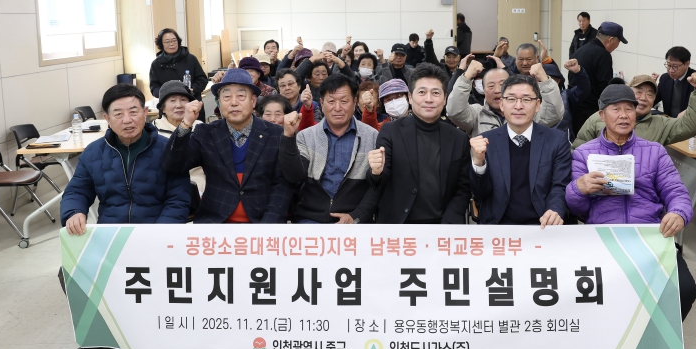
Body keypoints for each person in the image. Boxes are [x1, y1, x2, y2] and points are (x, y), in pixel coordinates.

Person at [61, 84, 191, 349]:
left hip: (156, 236)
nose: (127, 120)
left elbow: (178, 199)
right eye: (118, 114)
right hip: (112, 237)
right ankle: (99, 336)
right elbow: (77, 191)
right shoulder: (94, 152)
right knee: (70, 271)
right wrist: (74, 212)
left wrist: (157, 235)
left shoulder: (168, 149)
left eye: (133, 111)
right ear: (107, 119)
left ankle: (152, 333)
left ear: (146, 113)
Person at [566, 84, 696, 320]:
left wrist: (679, 212)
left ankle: (656, 331)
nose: (624, 115)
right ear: (602, 115)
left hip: (648, 236)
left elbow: (675, 191)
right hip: (605, 237)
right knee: (596, 293)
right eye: (615, 109)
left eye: (629, 109)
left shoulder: (655, 151)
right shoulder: (584, 154)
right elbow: (579, 210)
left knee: (686, 289)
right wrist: (578, 188)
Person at [163, 68, 294, 223]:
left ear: (253, 101)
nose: (233, 102)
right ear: (219, 102)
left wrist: (267, 227)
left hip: (261, 224)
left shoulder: (275, 134)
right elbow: (173, 166)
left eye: (241, 96)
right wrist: (185, 124)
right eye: (226, 96)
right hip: (215, 223)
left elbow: (282, 185)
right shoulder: (205, 133)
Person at [368, 63, 471, 224]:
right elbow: (380, 181)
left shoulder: (459, 138)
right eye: (422, 92)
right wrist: (376, 173)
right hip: (398, 224)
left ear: (445, 99)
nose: (428, 99)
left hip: (443, 225)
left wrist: (448, 224)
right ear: (410, 97)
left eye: (435, 93)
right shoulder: (390, 131)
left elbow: (463, 188)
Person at [469, 74, 571, 225]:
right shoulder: (486, 141)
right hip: (498, 227)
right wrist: (478, 163)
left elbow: (560, 185)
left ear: (537, 105)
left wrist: (555, 209)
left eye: (526, 99)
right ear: (502, 104)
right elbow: (480, 194)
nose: (518, 106)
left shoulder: (556, 140)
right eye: (511, 99)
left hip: (542, 225)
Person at [278, 74, 380, 224]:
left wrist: (356, 216)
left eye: (344, 101)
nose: (337, 108)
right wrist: (288, 136)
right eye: (331, 101)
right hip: (310, 219)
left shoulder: (371, 136)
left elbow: (377, 185)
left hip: (356, 221)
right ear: (321, 103)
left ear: (354, 102)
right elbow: (294, 176)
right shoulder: (306, 136)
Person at [572, 73, 696, 149]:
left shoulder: (661, 124)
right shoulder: (600, 118)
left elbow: (692, 125)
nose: (644, 98)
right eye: (638, 92)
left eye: (650, 94)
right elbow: (578, 151)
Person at [448, 53, 564, 138]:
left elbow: (554, 113)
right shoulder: (477, 114)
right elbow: (454, 111)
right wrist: (467, 76)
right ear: (483, 90)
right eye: (491, 86)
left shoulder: (525, 111)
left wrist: (544, 80)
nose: (497, 90)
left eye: (502, 84)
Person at [569, 21, 626, 135]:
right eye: (618, 42)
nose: (617, 46)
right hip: (590, 112)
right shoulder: (603, 55)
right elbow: (605, 88)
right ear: (610, 40)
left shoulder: (580, 50)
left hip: (574, 108)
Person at [152, 80, 207, 195]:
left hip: (199, 188)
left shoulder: (200, 127)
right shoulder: (153, 130)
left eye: (183, 100)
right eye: (172, 100)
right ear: (162, 108)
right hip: (165, 188)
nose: (179, 105)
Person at [149, 28, 209, 122]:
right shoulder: (156, 64)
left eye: (174, 40)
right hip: (169, 109)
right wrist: (165, 93)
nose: (171, 44)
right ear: (161, 44)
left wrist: (193, 89)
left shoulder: (191, 59)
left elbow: (202, 79)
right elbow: (154, 87)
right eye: (167, 42)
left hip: (192, 105)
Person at [654, 46, 696, 117]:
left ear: (687, 64)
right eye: (669, 65)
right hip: (669, 121)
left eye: (675, 66)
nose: (671, 70)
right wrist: (650, 86)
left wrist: (690, 112)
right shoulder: (665, 78)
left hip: (689, 122)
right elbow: (653, 100)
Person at [544, 59, 591, 141]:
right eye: (545, 79)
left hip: (563, 142)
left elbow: (583, 90)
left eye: (552, 79)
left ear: (558, 81)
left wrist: (578, 72)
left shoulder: (566, 95)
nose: (549, 82)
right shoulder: (533, 97)